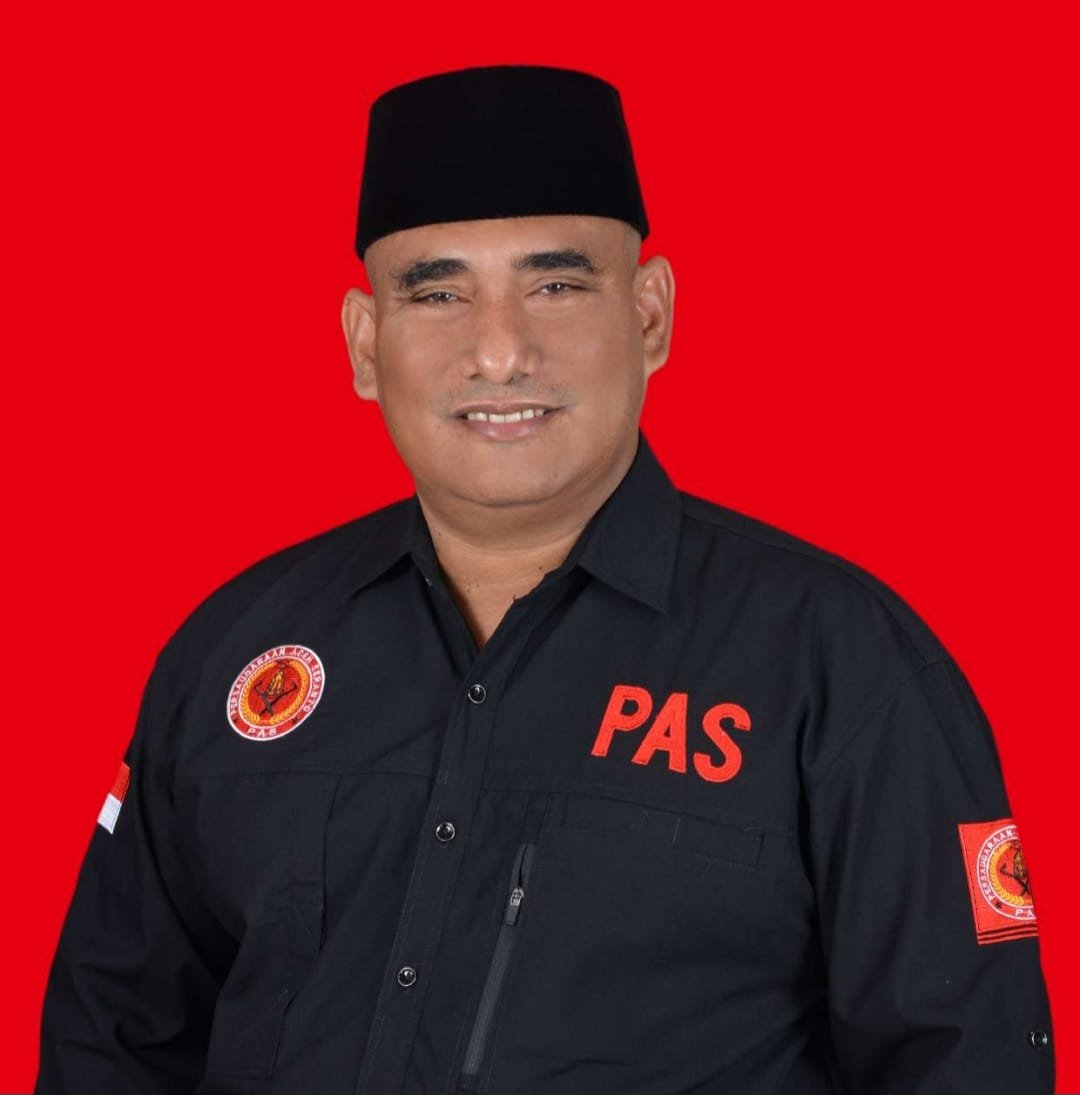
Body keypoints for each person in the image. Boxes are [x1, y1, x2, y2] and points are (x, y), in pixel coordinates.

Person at [36, 64, 1054, 1095]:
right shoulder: (235, 650)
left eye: (556, 286)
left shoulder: (841, 664)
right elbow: (110, 1042)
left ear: (650, 316)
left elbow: (967, 1062)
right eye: (437, 293)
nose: (499, 352)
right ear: (364, 344)